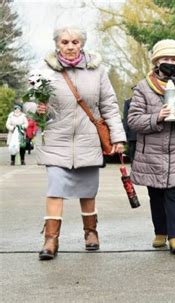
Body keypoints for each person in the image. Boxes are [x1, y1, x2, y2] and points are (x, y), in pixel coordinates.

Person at [35, 26, 126, 261]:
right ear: (57, 44)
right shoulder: (45, 70)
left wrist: (117, 137)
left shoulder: (97, 70)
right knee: (55, 189)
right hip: (57, 139)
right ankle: (51, 240)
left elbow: (109, 105)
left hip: (88, 139)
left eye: (75, 42)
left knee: (87, 191)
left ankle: (91, 232)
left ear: (81, 44)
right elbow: (30, 101)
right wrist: (36, 108)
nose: (70, 46)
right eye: (65, 41)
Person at [128, 39, 175, 254]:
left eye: (174, 59)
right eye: (165, 58)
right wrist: (156, 117)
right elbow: (133, 120)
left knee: (174, 192)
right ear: (156, 61)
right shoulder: (143, 87)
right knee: (156, 194)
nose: (170, 62)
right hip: (151, 151)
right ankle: (160, 231)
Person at [123, 97, 137, 162]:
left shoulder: (128, 102)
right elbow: (126, 120)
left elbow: (126, 119)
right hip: (133, 136)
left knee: (133, 158)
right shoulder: (128, 102)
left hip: (132, 136)